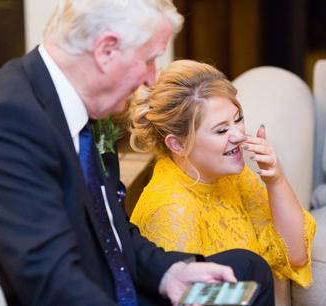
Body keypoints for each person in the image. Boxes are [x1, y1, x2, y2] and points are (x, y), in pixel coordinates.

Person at [0, 1, 275, 306]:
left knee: (247, 272)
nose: (151, 79)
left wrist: (170, 274)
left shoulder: (86, 110)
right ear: (106, 51)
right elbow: (50, 280)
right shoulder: (8, 120)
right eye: (149, 60)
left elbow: (111, 230)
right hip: (77, 295)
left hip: (108, 283)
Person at [129, 59, 316, 288]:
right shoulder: (172, 211)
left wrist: (275, 180)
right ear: (177, 144)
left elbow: (295, 255)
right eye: (221, 130)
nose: (238, 135)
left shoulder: (229, 174)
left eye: (238, 119)